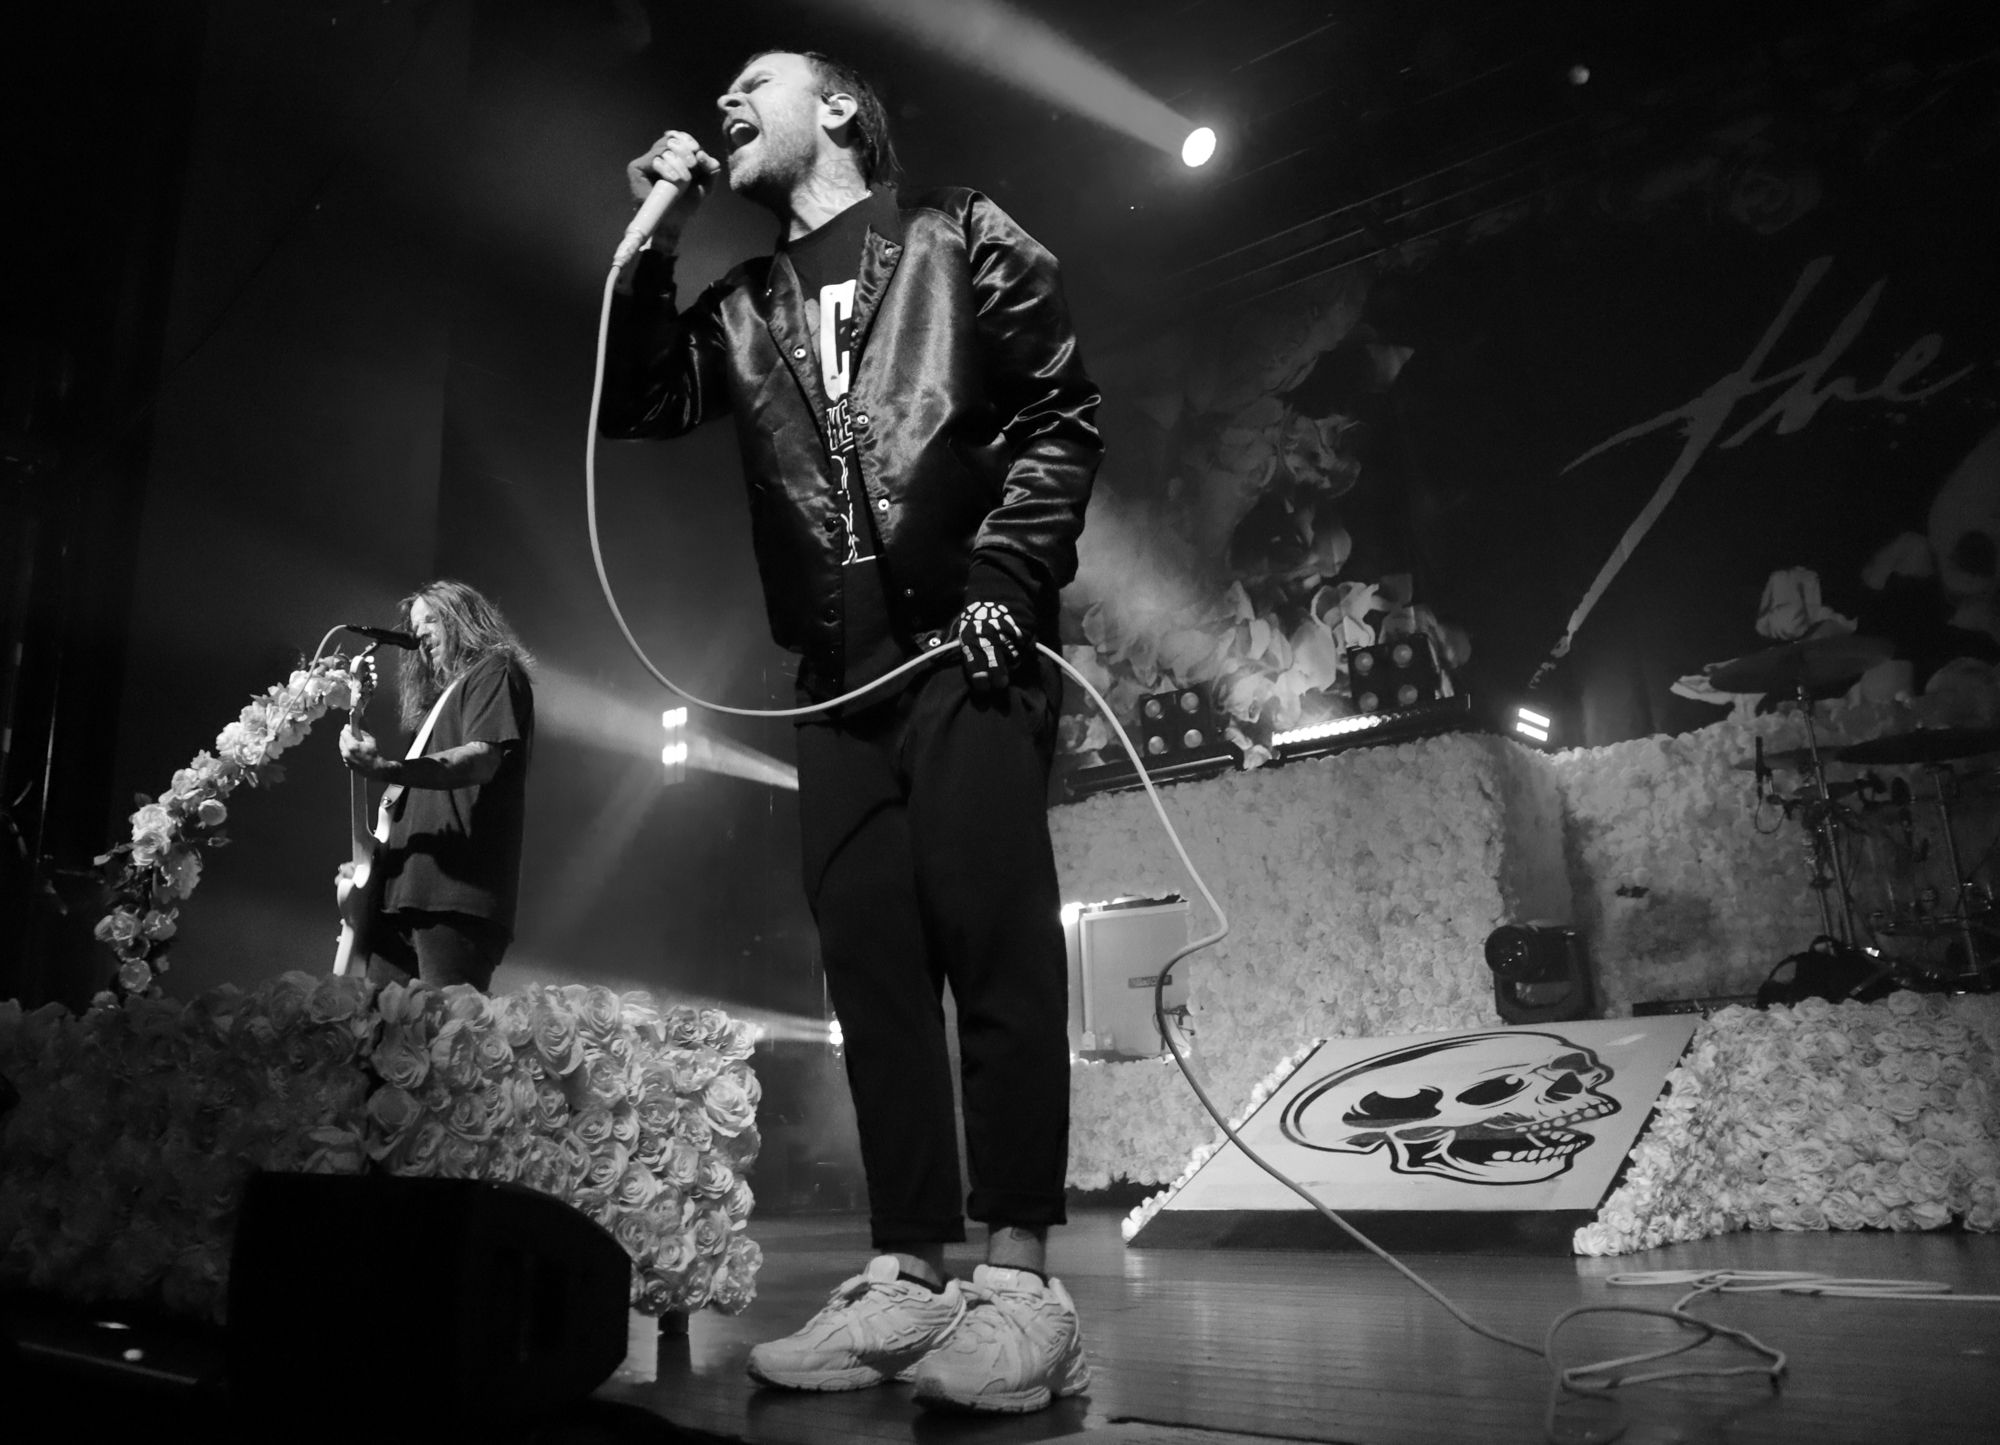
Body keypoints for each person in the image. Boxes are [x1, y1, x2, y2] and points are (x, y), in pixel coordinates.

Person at [598, 49, 1099, 1415]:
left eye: (752, 81)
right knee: (869, 972)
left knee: (992, 942)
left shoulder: (954, 230)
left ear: (835, 109)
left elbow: (1060, 410)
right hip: (834, 674)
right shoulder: (743, 298)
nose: (723, 102)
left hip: (963, 642)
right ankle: (905, 1273)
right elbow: (639, 400)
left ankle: (1022, 1283)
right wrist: (653, 241)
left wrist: (1008, 576)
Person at [338, 579, 535, 993]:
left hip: (457, 895)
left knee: (448, 1027)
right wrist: (375, 866)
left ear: (464, 619)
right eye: (414, 626)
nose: (419, 634)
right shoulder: (437, 708)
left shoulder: (494, 671)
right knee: (378, 1027)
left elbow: (480, 761)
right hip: (399, 897)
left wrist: (386, 768)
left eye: (431, 620)